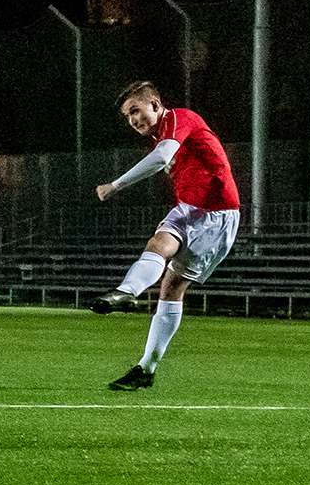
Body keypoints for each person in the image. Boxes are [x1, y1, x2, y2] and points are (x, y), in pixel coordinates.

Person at [90, 81, 242, 391]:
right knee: (161, 254)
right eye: (127, 115)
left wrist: (114, 185)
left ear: (156, 105)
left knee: (171, 283)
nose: (133, 120)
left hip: (217, 214)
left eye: (136, 110)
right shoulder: (163, 134)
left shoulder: (179, 119)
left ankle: (144, 355)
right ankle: (129, 301)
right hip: (190, 210)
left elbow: (162, 158)